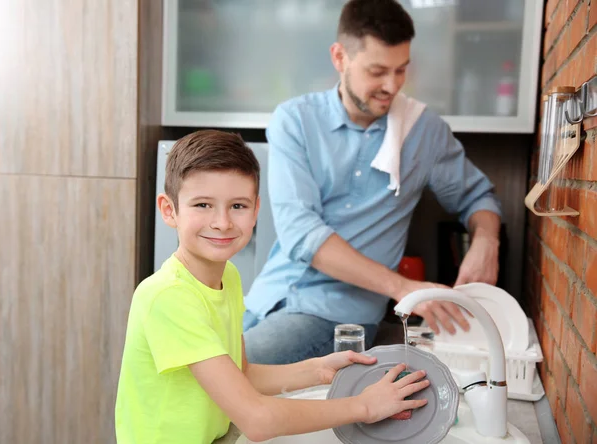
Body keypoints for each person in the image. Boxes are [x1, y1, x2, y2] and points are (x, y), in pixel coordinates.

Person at [114, 130, 430, 444]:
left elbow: (244, 374)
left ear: (256, 209)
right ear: (170, 210)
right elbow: (257, 420)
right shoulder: (169, 297)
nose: (222, 222)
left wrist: (318, 370)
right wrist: (364, 406)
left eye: (237, 206)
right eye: (203, 205)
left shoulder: (229, 277)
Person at [243, 0, 502, 365]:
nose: (391, 86)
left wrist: (486, 241)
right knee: (191, 373)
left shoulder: (422, 132)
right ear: (339, 57)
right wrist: (404, 289)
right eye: (377, 70)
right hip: (264, 297)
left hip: (336, 318)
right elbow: (300, 231)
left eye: (401, 70)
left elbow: (479, 197)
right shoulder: (295, 120)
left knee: (221, 380)